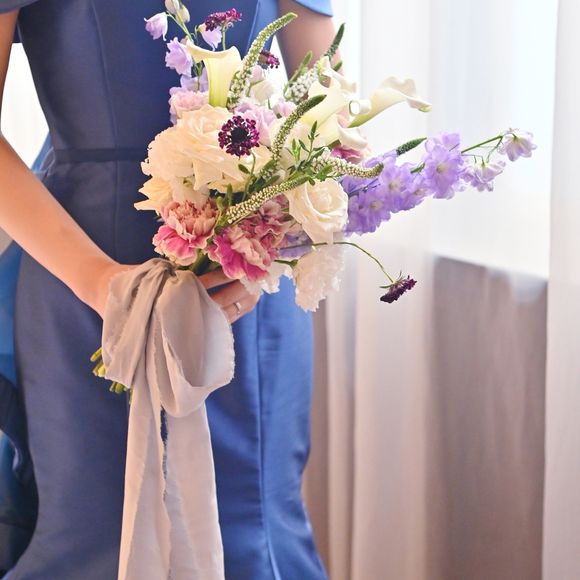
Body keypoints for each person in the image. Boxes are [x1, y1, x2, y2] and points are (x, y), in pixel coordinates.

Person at [0, 0, 336, 577]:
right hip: (84, 266)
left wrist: (275, 232)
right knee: (98, 530)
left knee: (248, 527)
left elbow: (330, 109)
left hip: (246, 269)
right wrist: (101, 282)